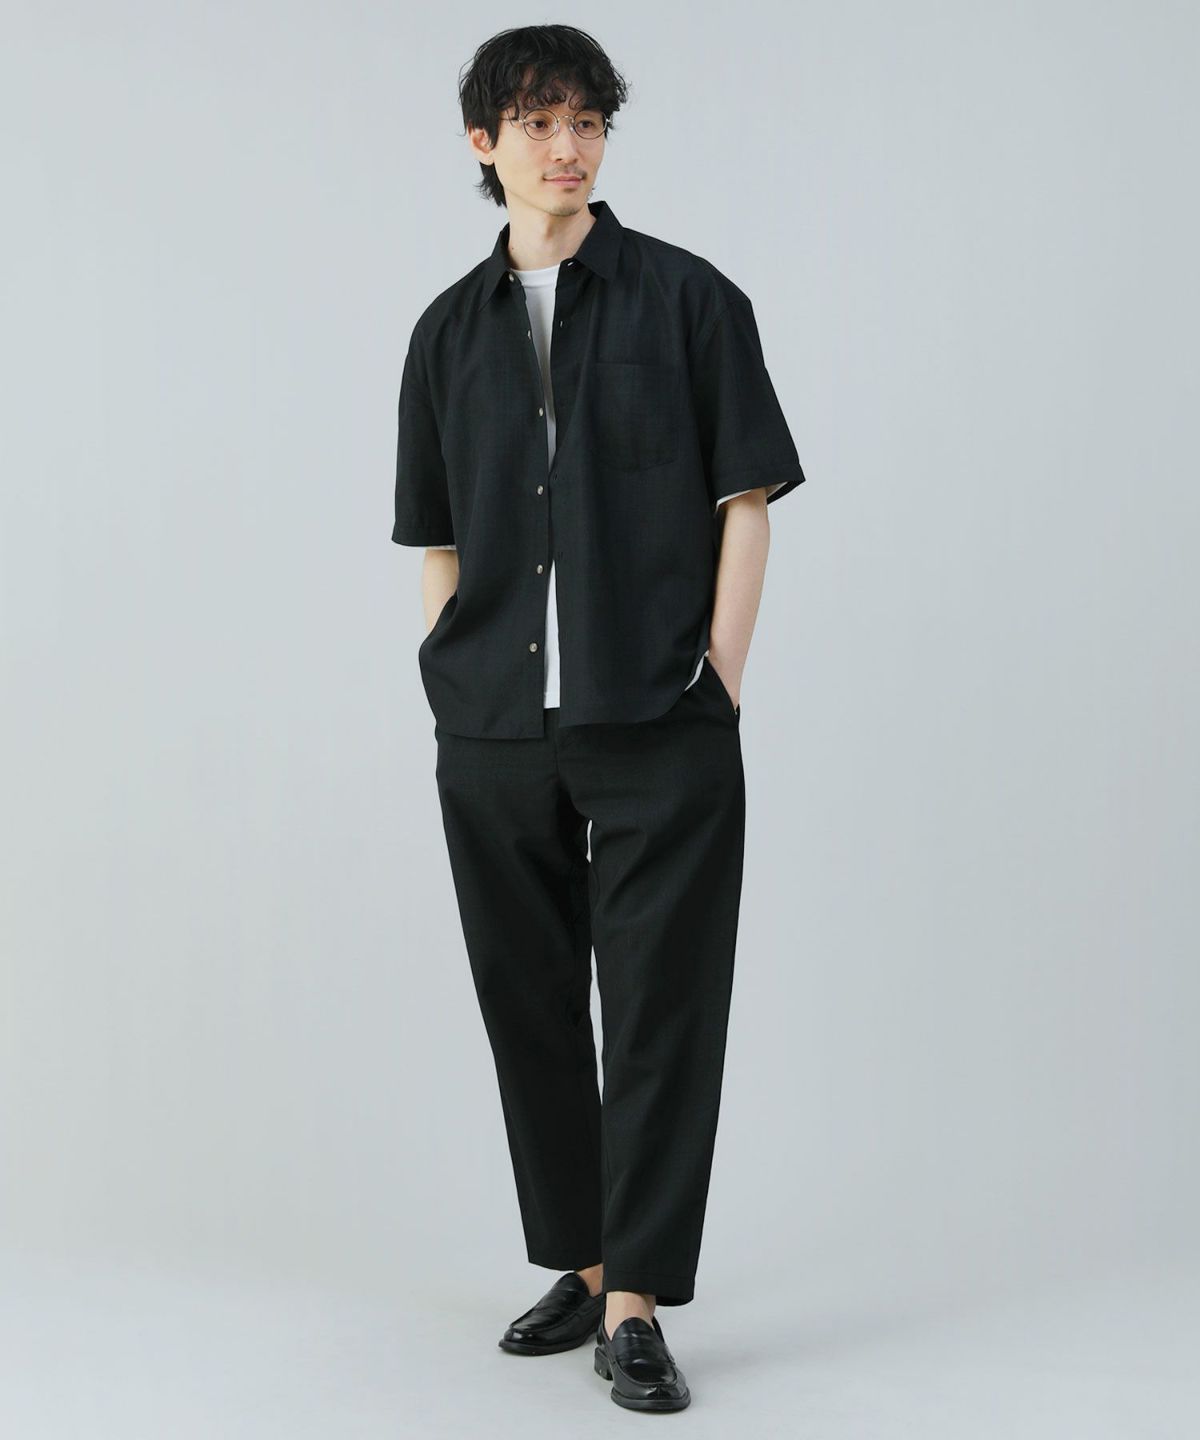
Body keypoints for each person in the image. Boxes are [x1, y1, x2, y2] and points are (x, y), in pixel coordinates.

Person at [392, 24, 806, 1413]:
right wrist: (453, 675)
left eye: (588, 122)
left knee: (660, 1010)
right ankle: (577, 1260)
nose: (568, 147)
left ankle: (637, 1301)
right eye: (539, 122)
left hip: (659, 722)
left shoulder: (690, 300)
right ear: (485, 143)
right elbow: (437, 533)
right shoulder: (446, 333)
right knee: (527, 1004)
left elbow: (746, 500)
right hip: (496, 730)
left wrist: (719, 680)